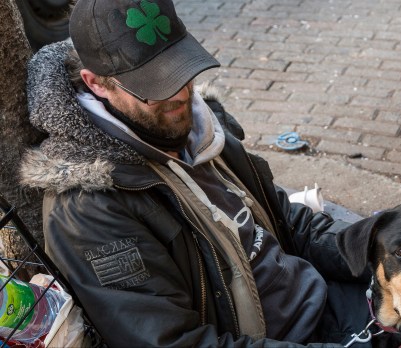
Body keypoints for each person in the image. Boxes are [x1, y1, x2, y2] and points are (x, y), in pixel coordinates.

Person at [19, 0, 381, 346]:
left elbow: (286, 220)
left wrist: (383, 248)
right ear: (96, 83)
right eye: (153, 84)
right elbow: (177, 342)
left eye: (180, 68)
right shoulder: (89, 212)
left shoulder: (201, 128)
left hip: (324, 301)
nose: (180, 94)